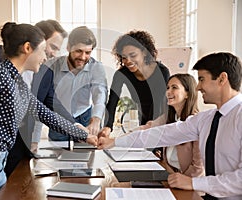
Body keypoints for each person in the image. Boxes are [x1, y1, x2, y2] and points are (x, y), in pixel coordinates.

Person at [0, 22, 97, 200]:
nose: (45, 57)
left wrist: (84, 134)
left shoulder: (16, 82)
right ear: (27, 48)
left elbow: (46, 114)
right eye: (43, 50)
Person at [98, 52, 242, 199]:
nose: (197, 87)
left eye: (202, 79)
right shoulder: (206, 119)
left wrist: (194, 183)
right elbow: (159, 134)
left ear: (222, 79)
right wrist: (115, 142)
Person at [0, 20, 70, 177]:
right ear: (36, 42)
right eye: (52, 47)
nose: (53, 54)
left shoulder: (44, 72)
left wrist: (77, 127)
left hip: (18, 147)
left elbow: (50, 106)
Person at [99, 30, 170, 137]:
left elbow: (159, 103)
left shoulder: (161, 72)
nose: (128, 61)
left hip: (161, 121)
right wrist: (107, 127)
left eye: (133, 55)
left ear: (145, 52)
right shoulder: (122, 74)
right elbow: (113, 100)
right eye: (124, 57)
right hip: (143, 117)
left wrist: (148, 127)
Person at [46, 26, 108, 141]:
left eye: (88, 52)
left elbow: (100, 93)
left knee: (85, 155)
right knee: (56, 155)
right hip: (59, 119)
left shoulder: (96, 67)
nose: (83, 57)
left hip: (84, 118)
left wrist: (96, 118)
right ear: (69, 47)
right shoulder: (52, 66)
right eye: (79, 51)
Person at [139, 74, 204, 177]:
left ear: (188, 93)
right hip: (170, 175)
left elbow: (198, 168)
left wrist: (179, 179)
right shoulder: (169, 117)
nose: (168, 92)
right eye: (168, 88)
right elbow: (149, 127)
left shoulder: (197, 122)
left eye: (174, 87)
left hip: (188, 184)